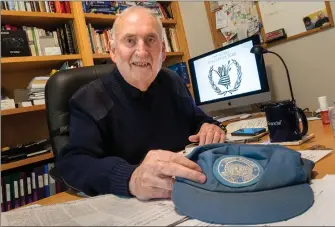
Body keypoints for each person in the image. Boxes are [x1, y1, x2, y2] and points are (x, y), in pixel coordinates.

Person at [55, 6, 226, 201]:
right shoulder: (88, 99)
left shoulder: (172, 81)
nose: (142, 51)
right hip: (132, 205)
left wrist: (209, 125)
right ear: (113, 50)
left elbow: (197, 119)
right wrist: (131, 178)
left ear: (162, 50)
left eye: (150, 40)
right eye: (130, 41)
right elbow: (74, 163)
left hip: (187, 191)